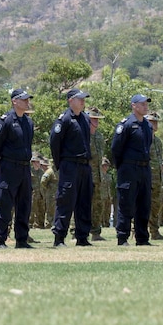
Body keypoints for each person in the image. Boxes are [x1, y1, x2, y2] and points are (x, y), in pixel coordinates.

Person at [0, 89, 34, 249]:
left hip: (24, 168)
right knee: (5, 205)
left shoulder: (28, 122)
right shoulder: (6, 121)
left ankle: (21, 239)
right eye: (24, 99)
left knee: (24, 204)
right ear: (14, 101)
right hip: (8, 167)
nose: (27, 102)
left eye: (28, 99)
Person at [49, 89, 94, 247]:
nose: (83, 101)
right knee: (65, 200)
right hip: (69, 165)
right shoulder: (65, 119)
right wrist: (60, 164)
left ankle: (82, 237)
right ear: (70, 100)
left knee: (84, 201)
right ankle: (59, 237)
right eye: (79, 99)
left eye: (84, 99)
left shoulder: (85, 119)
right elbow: (55, 143)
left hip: (84, 165)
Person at [110, 94, 153, 246]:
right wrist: (122, 166)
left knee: (144, 203)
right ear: (133, 105)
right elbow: (116, 149)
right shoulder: (126, 124)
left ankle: (142, 238)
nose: (145, 106)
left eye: (146, 104)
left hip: (144, 168)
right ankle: (122, 237)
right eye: (142, 104)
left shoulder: (148, 125)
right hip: (128, 168)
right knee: (126, 203)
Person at [86, 107, 107, 241]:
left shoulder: (99, 137)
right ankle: (75, 231)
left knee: (98, 205)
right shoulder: (82, 135)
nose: (96, 122)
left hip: (98, 177)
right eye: (93, 119)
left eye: (97, 119)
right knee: (82, 204)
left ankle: (96, 232)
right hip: (86, 176)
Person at [145, 111, 163, 240]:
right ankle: (136, 230)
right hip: (147, 177)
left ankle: (154, 231)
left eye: (156, 122)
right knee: (142, 205)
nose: (155, 124)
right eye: (152, 122)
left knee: (155, 205)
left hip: (157, 179)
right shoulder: (143, 138)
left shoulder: (157, 141)